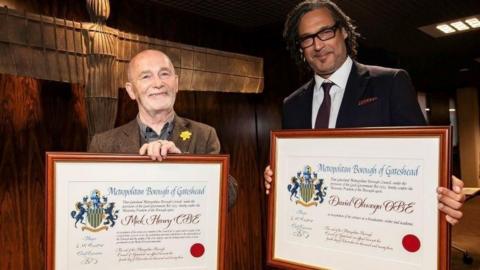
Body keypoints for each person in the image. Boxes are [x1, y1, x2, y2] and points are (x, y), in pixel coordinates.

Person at [264, 0, 464, 224]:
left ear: (344, 32)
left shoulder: (390, 83)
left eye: (325, 32)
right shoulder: (292, 104)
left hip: (378, 226)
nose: (318, 45)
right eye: (307, 39)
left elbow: (422, 157)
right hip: (317, 230)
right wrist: (279, 176)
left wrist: (444, 184)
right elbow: (299, 172)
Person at [88, 49, 237, 208]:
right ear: (131, 90)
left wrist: (185, 166)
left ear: (176, 83)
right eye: (146, 76)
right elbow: (90, 200)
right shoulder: (103, 144)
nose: (158, 83)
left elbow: (228, 198)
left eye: (164, 74)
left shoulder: (205, 135)